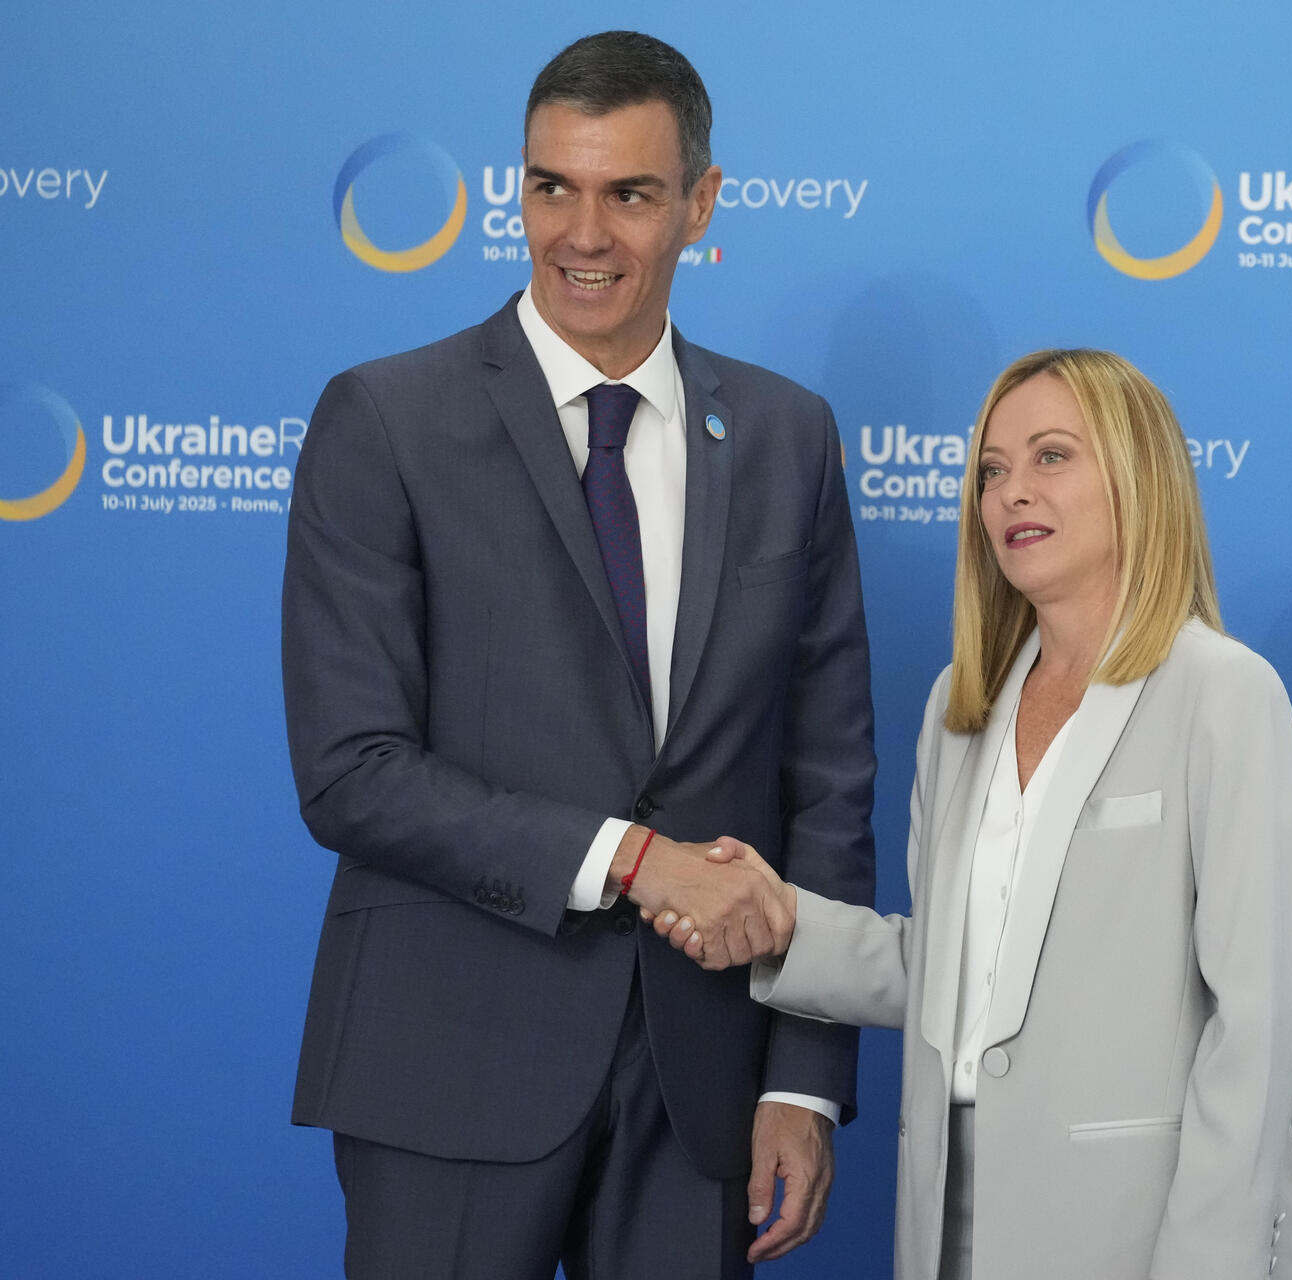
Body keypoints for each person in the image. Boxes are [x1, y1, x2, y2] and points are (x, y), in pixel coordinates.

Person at [280, 31, 875, 1280]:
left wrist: (806, 1086)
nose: (582, 233)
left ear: (703, 204)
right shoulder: (385, 418)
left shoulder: (785, 436)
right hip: (449, 1064)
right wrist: (639, 860)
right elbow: (352, 767)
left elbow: (829, 781)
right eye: (551, 186)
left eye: (630, 193)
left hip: (702, 1087)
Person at [658, 349, 1292, 1278]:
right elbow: (955, 971)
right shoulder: (960, 709)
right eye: (993, 470)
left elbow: (1253, 1028)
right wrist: (781, 924)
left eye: (1051, 457)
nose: (1011, 493)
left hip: (1134, 1231)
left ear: (1139, 475)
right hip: (952, 1211)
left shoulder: (1224, 694)